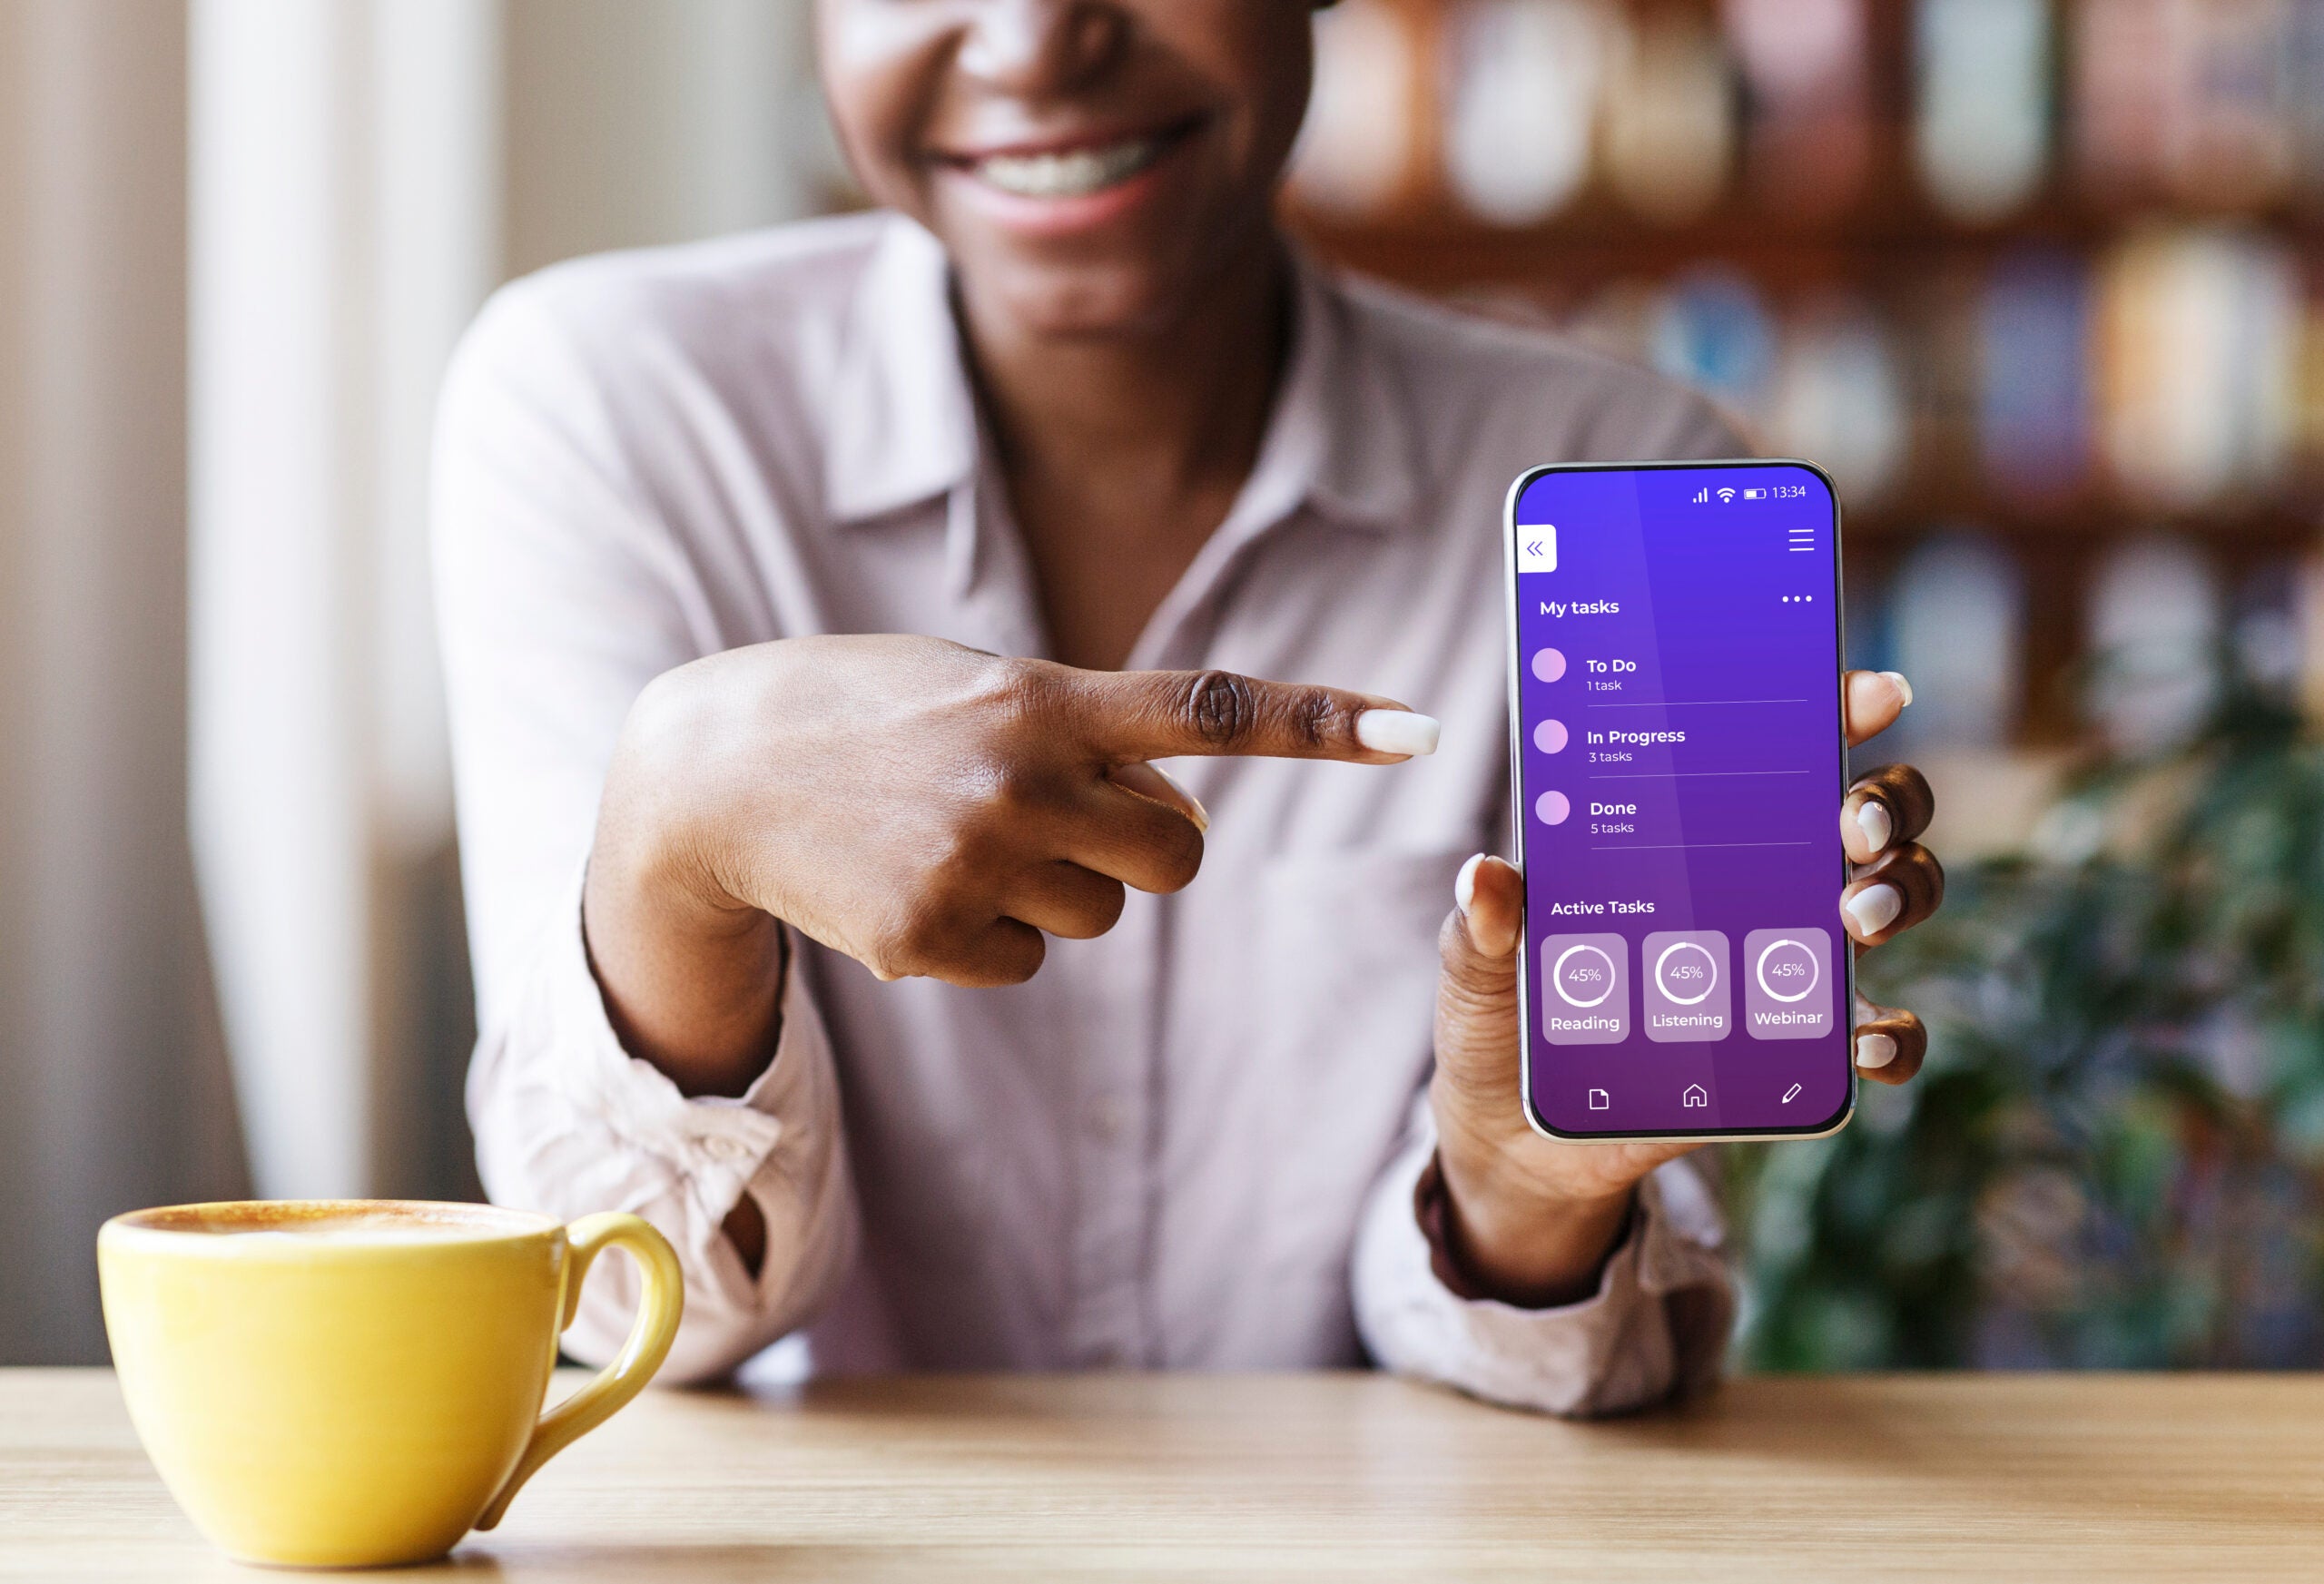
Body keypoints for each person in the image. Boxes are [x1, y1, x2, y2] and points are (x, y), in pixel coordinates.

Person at [432, 0, 1942, 1414]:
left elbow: (1579, 1366)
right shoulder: (611, 408)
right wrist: (676, 840)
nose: (1034, 44)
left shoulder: (1621, 470)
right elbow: (647, 1322)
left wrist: (1526, 1187)